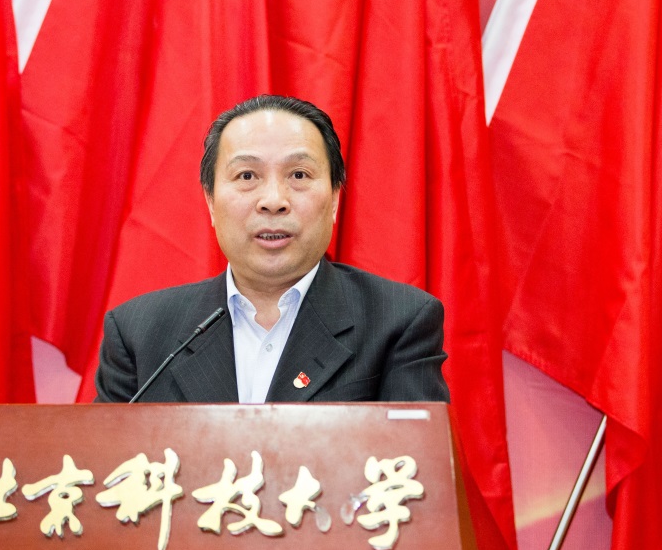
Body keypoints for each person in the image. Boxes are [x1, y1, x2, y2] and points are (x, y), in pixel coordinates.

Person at [94, 95, 449, 403]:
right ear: (211, 202)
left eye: (299, 175)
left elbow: (414, 458)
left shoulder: (397, 323)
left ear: (334, 199)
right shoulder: (139, 334)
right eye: (247, 176)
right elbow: (107, 458)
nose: (274, 200)